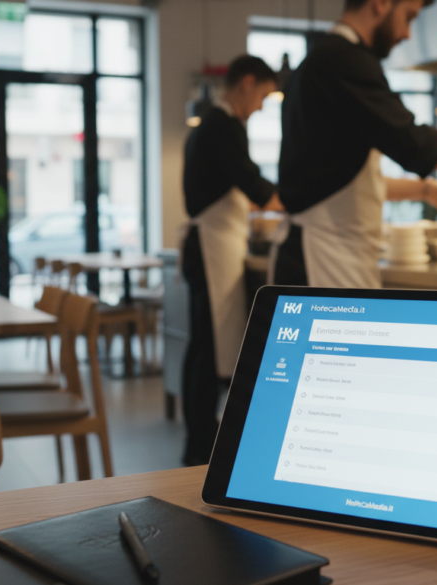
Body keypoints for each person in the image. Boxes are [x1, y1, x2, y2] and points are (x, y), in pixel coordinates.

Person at [271, 0, 437, 288]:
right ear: (381, 4)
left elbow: (345, 184)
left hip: (327, 254)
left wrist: (427, 189)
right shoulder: (343, 59)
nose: (408, 33)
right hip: (320, 260)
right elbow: (417, 147)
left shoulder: (322, 61)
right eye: (409, 17)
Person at [181, 55, 282, 466]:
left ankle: (199, 439)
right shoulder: (223, 125)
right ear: (246, 83)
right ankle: (201, 446)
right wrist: (292, 201)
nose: (261, 105)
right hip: (210, 248)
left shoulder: (213, 124)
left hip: (209, 246)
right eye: (263, 95)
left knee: (203, 347)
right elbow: (251, 181)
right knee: (206, 351)